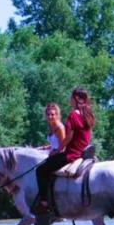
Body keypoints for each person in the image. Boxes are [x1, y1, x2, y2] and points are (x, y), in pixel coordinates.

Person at [32, 88, 95, 216]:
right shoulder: (87, 114)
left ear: (76, 99)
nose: (69, 100)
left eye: (71, 98)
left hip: (72, 153)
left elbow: (69, 137)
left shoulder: (73, 115)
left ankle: (44, 203)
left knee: (41, 170)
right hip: (82, 151)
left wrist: (58, 150)